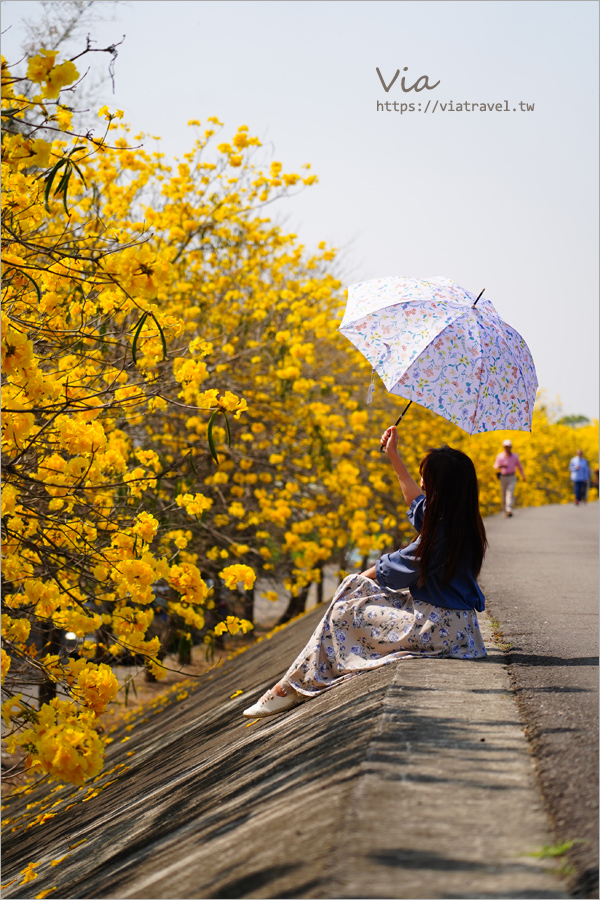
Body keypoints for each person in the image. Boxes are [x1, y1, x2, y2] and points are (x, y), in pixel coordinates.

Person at [243, 427, 489, 719]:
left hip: (437, 631)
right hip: (461, 630)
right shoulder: (458, 520)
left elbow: (392, 572)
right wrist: (393, 456)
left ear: (440, 488)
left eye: (428, 478)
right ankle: (296, 680)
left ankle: (294, 684)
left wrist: (353, 582)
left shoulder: (438, 537)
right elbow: (416, 502)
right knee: (353, 594)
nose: (422, 482)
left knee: (344, 611)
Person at [493, 439, 525, 517]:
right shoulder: (500, 456)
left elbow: (519, 466)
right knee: (504, 494)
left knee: (509, 493)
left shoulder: (515, 456)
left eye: (508, 447)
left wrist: (523, 475)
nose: (507, 448)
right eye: (506, 447)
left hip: (511, 476)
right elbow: (495, 466)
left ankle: (509, 510)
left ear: (511, 447)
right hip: (503, 477)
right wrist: (501, 466)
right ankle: (504, 510)